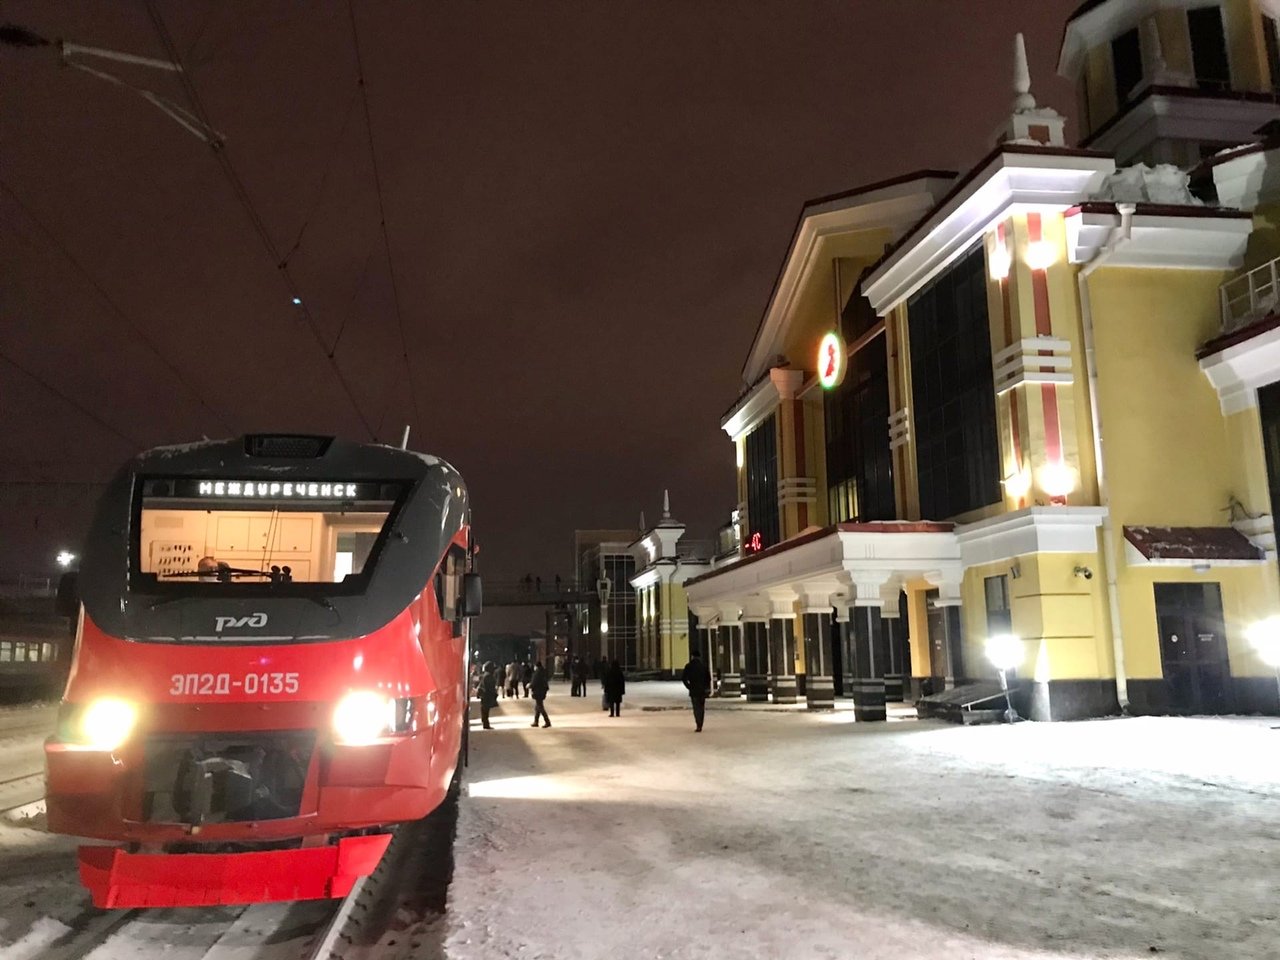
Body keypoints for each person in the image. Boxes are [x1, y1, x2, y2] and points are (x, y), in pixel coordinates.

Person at [681, 649, 712, 732]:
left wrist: (689, 686)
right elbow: (708, 678)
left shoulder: (689, 666)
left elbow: (684, 678)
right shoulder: (703, 666)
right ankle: (701, 723)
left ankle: (698, 724)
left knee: (696, 708)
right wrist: (706, 688)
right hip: (702, 690)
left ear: (692, 656)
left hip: (693, 690)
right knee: (701, 707)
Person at [530, 661, 551, 728]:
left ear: (536, 666)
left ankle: (547, 721)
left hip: (538, 692)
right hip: (542, 691)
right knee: (537, 707)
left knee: (540, 707)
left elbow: (534, 683)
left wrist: (529, 685)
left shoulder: (537, 673)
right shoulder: (543, 672)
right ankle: (536, 721)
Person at [478, 662, 499, 729]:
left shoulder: (485, 675)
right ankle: (486, 724)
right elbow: (490, 687)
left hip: (484, 695)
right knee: (485, 710)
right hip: (487, 695)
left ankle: (485, 723)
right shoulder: (488, 676)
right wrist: (494, 694)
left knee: (484, 710)